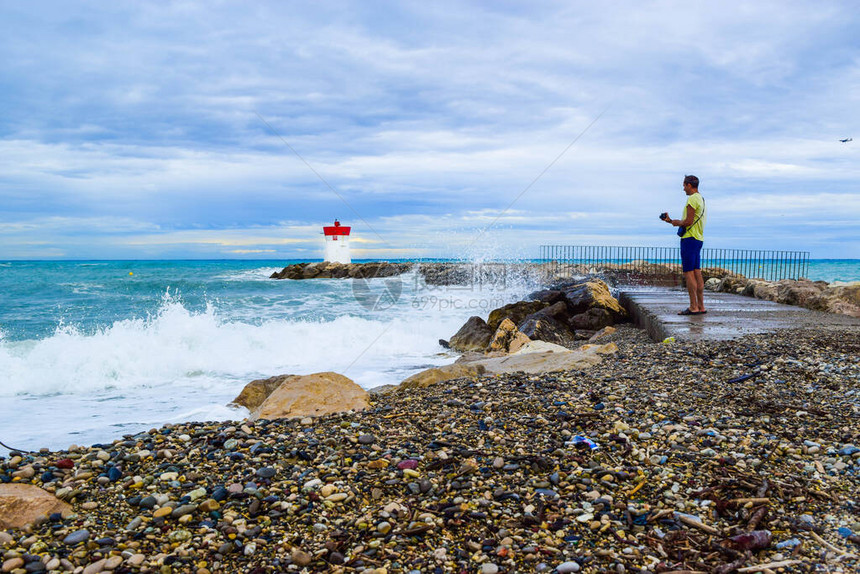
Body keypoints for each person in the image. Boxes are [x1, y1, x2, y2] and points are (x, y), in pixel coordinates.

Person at [663, 175, 706, 315]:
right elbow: (691, 221)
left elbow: (687, 221)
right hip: (698, 238)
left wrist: (676, 222)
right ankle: (701, 306)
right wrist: (670, 221)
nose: (683, 188)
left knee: (688, 272)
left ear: (689, 185)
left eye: (684, 185)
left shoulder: (692, 199)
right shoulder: (701, 199)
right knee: (697, 271)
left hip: (689, 239)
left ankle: (693, 306)